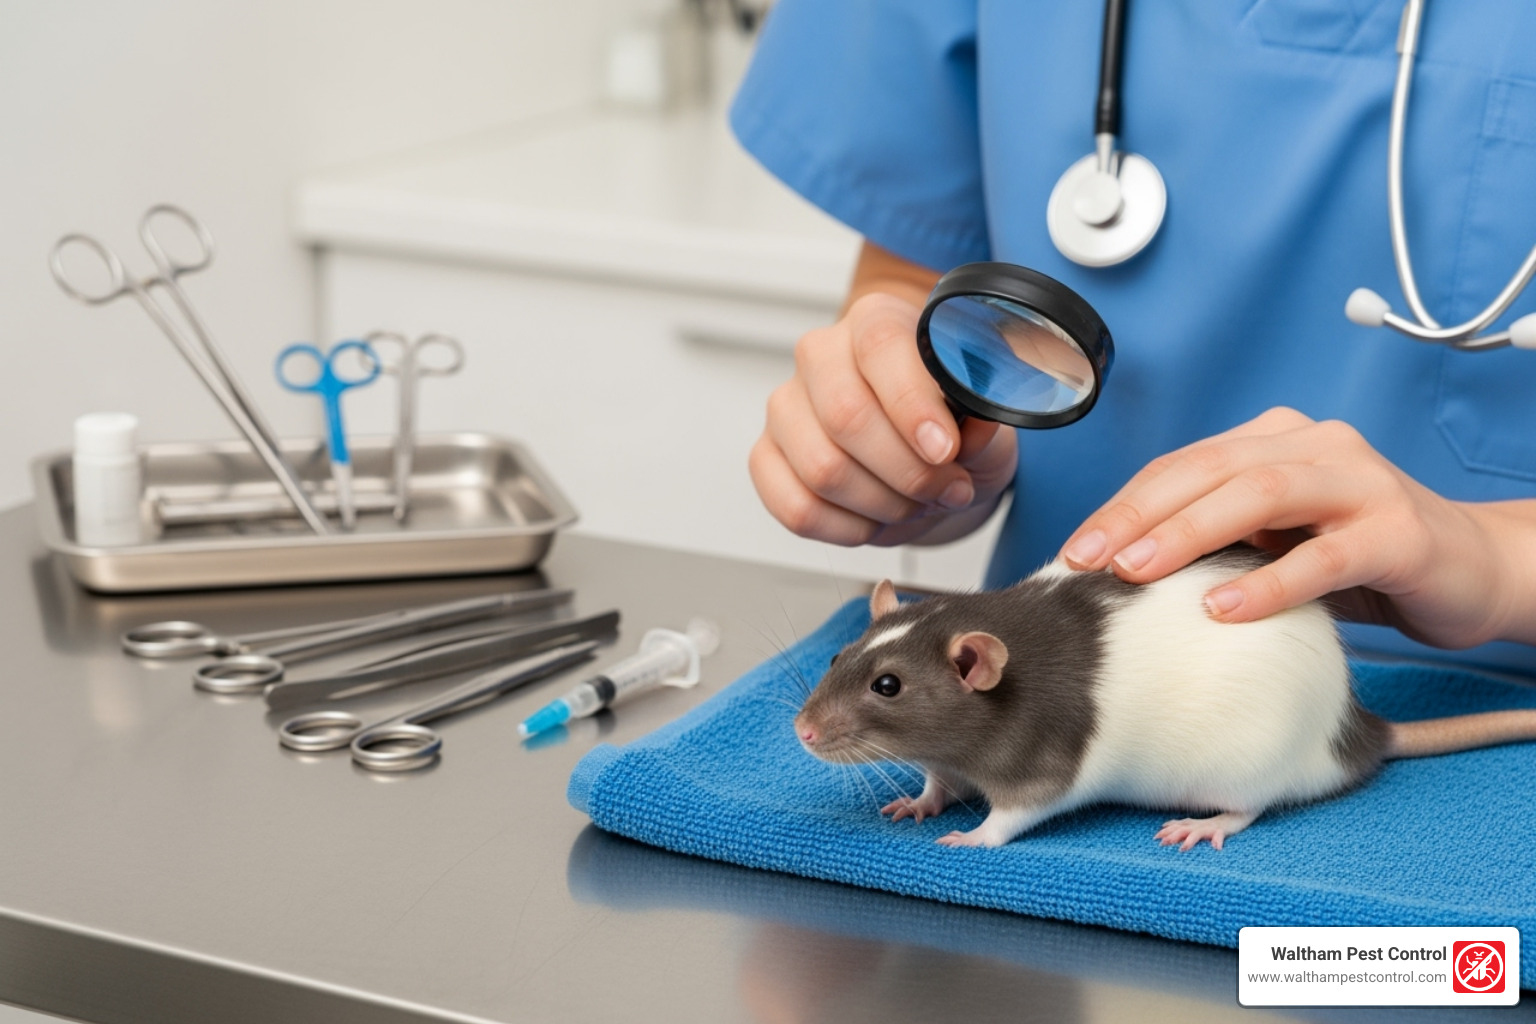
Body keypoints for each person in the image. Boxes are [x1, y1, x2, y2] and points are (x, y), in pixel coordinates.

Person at [730, 0, 1536, 672]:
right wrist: (902, 437)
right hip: (1051, 685)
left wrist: (1499, 563)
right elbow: (917, 284)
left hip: (1486, 729)